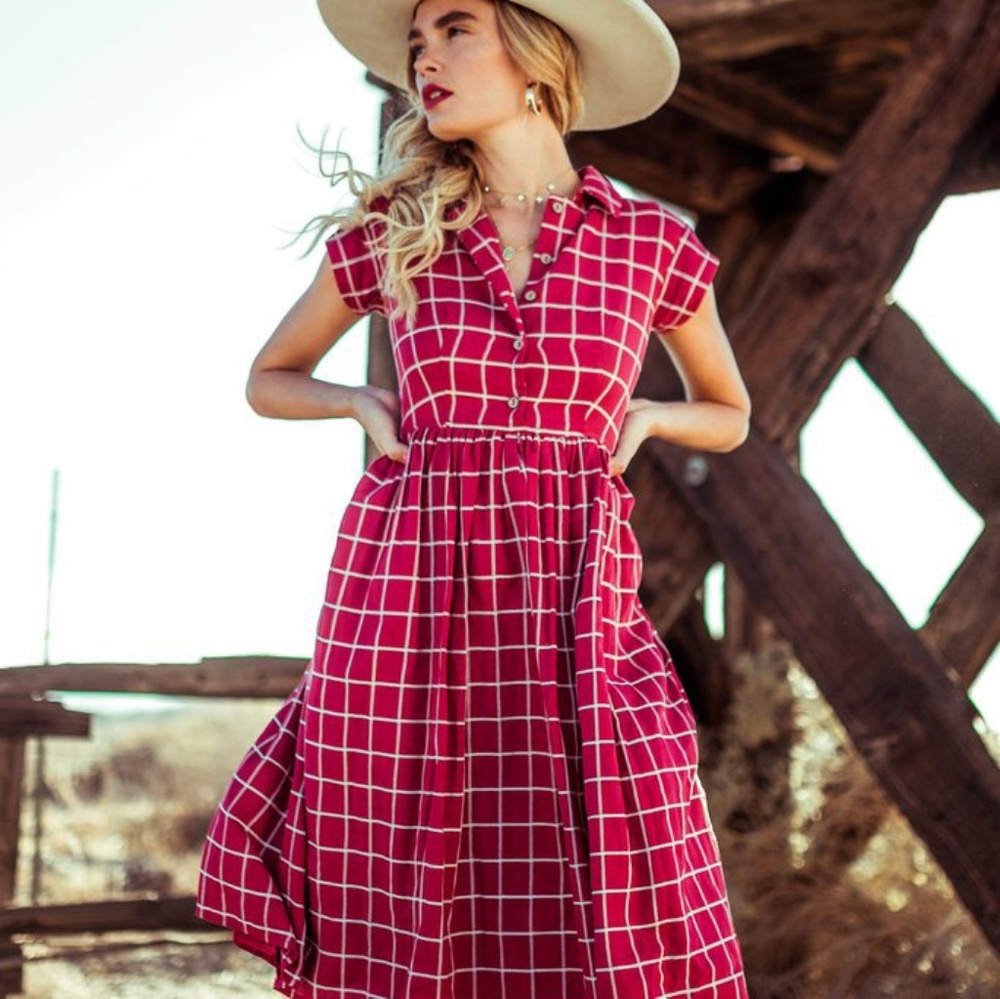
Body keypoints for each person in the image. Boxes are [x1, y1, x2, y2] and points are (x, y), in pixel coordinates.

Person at [196, 0, 752, 996]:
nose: (425, 61)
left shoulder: (648, 243)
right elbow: (268, 377)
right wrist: (362, 404)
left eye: (453, 30)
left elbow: (728, 410)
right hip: (414, 592)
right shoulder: (396, 230)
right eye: (414, 45)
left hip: (575, 593)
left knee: (621, 842)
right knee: (412, 862)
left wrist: (647, 418)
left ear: (536, 59)